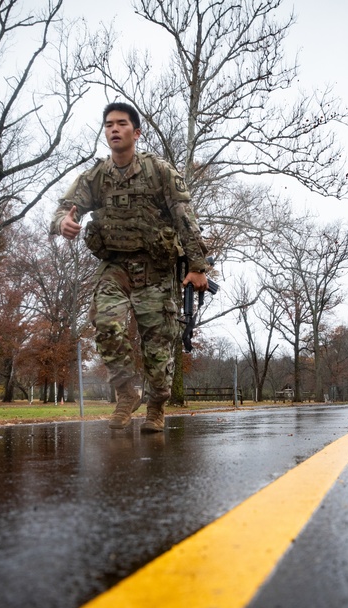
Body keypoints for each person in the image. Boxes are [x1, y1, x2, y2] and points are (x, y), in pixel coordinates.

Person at [50, 102, 210, 432]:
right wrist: (63, 222)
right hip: (116, 266)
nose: (114, 129)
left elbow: (185, 217)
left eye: (122, 124)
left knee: (157, 345)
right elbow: (66, 210)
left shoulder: (159, 171)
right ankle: (126, 393)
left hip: (156, 268)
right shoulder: (96, 177)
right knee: (106, 323)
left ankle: (156, 406)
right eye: (109, 124)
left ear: (136, 133)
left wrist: (197, 266)